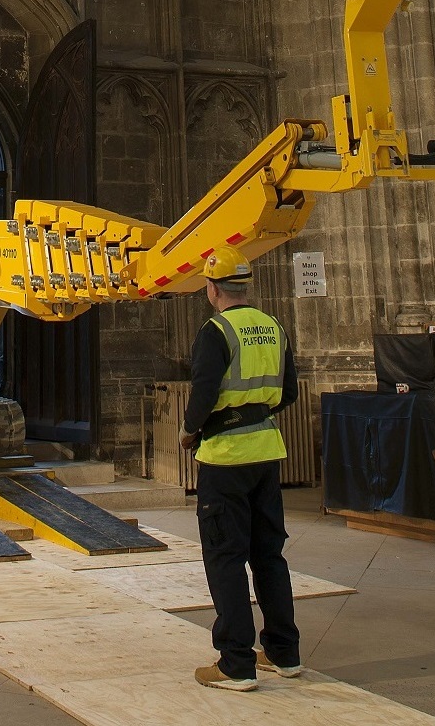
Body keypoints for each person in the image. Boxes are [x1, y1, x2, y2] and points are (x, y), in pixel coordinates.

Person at [180, 245, 302, 692]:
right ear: (245, 285)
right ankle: (284, 653)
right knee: (269, 553)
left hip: (225, 461)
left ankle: (236, 662)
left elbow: (203, 391)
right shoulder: (273, 327)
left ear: (212, 289)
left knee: (225, 556)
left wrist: (189, 430)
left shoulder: (216, 331)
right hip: (267, 452)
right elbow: (289, 390)